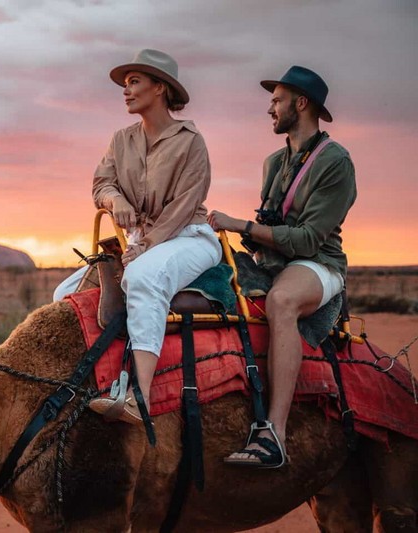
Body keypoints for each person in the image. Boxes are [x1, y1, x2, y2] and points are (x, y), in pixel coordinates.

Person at [54, 49, 221, 424]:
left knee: (142, 278)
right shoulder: (121, 140)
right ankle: (88, 386)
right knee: (64, 296)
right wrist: (114, 200)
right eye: (125, 84)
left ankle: (138, 398)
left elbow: (183, 206)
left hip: (188, 236)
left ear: (159, 88)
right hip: (139, 242)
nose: (125, 91)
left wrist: (143, 246)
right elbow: (102, 183)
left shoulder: (191, 141)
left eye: (134, 82)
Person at [208, 66, 357, 468]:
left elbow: (308, 238)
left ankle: (274, 433)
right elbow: (271, 224)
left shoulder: (336, 161)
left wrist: (242, 224)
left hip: (317, 264)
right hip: (271, 260)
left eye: (276, 100)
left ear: (301, 103)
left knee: (282, 300)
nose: (270, 109)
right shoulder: (274, 162)